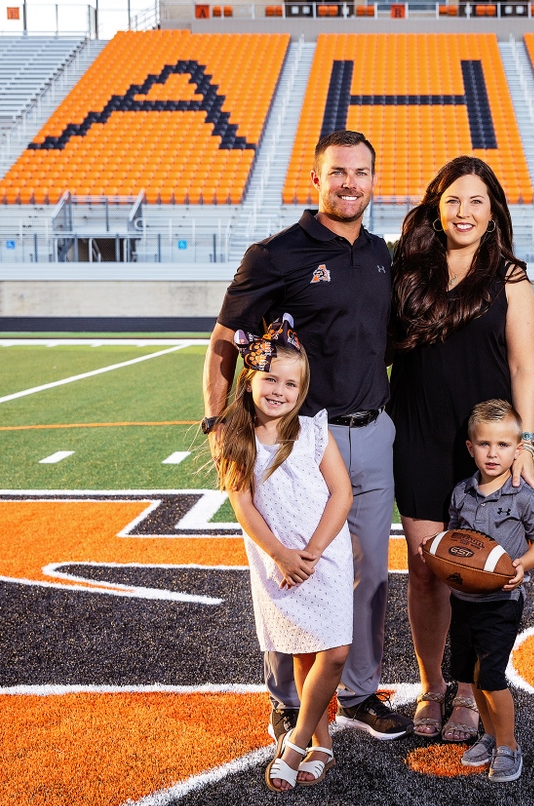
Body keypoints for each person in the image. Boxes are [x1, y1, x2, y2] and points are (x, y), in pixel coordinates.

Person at [202, 130, 412, 744]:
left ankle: (360, 692)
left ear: (374, 181)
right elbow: (223, 341)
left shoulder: (380, 253)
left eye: (362, 172)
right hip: (298, 443)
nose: (350, 182)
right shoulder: (275, 254)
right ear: (314, 180)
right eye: (338, 172)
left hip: (371, 433)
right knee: (286, 570)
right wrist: (220, 428)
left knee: (370, 571)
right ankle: (286, 698)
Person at [388, 156, 534, 742]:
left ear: (493, 210)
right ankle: (432, 686)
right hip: (418, 434)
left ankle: (472, 695)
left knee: (478, 574)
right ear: (437, 205)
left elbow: (524, 366)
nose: (464, 212)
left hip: (485, 447)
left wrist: (523, 441)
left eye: (477, 201)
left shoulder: (510, 277)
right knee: (427, 571)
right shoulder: (409, 271)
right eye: (454, 199)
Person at [216, 316, 351, 791]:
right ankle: (323, 744)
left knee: (334, 652)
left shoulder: (314, 431)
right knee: (301, 651)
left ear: (302, 389)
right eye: (270, 379)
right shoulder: (235, 438)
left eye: (290, 383)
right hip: (277, 562)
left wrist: (312, 552)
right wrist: (280, 554)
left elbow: (342, 494)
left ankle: (294, 744)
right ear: (250, 380)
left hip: (324, 554)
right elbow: (244, 507)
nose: (279, 390)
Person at [433, 398, 534, 782]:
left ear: (518, 449)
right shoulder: (461, 493)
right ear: (471, 447)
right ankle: (489, 733)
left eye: (503, 445)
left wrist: (522, 566)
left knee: (492, 676)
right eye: (484, 444)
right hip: (463, 601)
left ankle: (509, 745)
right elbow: (454, 543)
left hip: (501, 601)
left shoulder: (523, 495)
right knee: (471, 671)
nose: (493, 453)